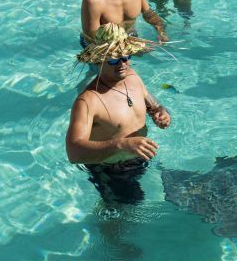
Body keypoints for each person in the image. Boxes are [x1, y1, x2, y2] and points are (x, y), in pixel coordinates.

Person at [66, 25, 171, 205]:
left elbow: (151, 103)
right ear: (99, 61)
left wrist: (160, 112)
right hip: (110, 169)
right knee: (122, 215)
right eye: (114, 60)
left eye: (126, 57)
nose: (123, 64)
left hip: (139, 155)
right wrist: (122, 144)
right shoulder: (88, 101)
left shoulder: (132, 76)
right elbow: (74, 152)